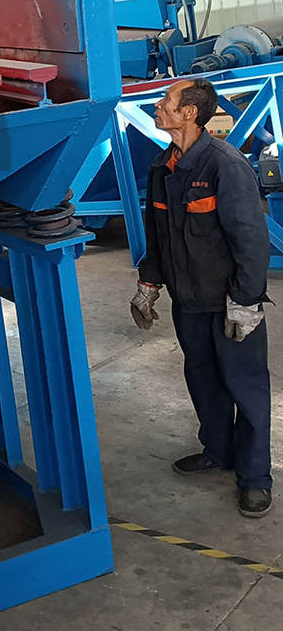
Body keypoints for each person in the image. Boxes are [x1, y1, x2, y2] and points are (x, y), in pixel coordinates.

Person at [130, 78, 272, 518]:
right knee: (204, 380)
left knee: (246, 387)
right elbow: (157, 233)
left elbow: (251, 239)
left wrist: (246, 300)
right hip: (188, 301)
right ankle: (218, 451)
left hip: (229, 302)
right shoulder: (162, 167)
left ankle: (255, 478)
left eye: (166, 101)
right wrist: (149, 283)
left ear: (189, 113)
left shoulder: (225, 165)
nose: (158, 106)